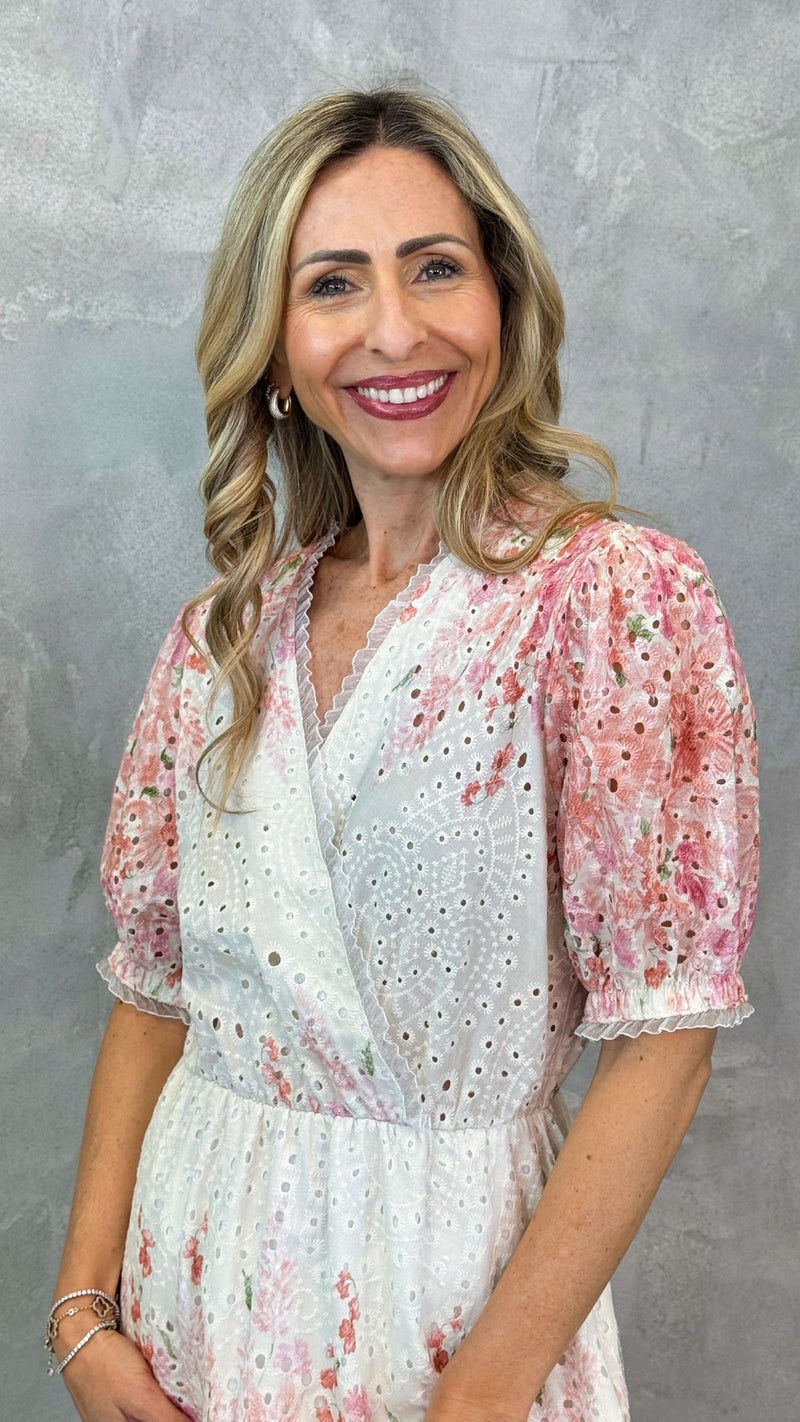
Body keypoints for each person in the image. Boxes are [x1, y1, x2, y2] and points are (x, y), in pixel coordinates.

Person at [48, 87, 759, 1422]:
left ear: (502, 301)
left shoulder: (610, 604)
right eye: (332, 283)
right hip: (184, 1307)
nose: (393, 328)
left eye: (435, 267)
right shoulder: (216, 640)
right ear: (274, 348)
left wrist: (478, 1397)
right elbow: (156, 990)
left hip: (453, 1336)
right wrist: (82, 1313)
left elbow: (664, 1040)